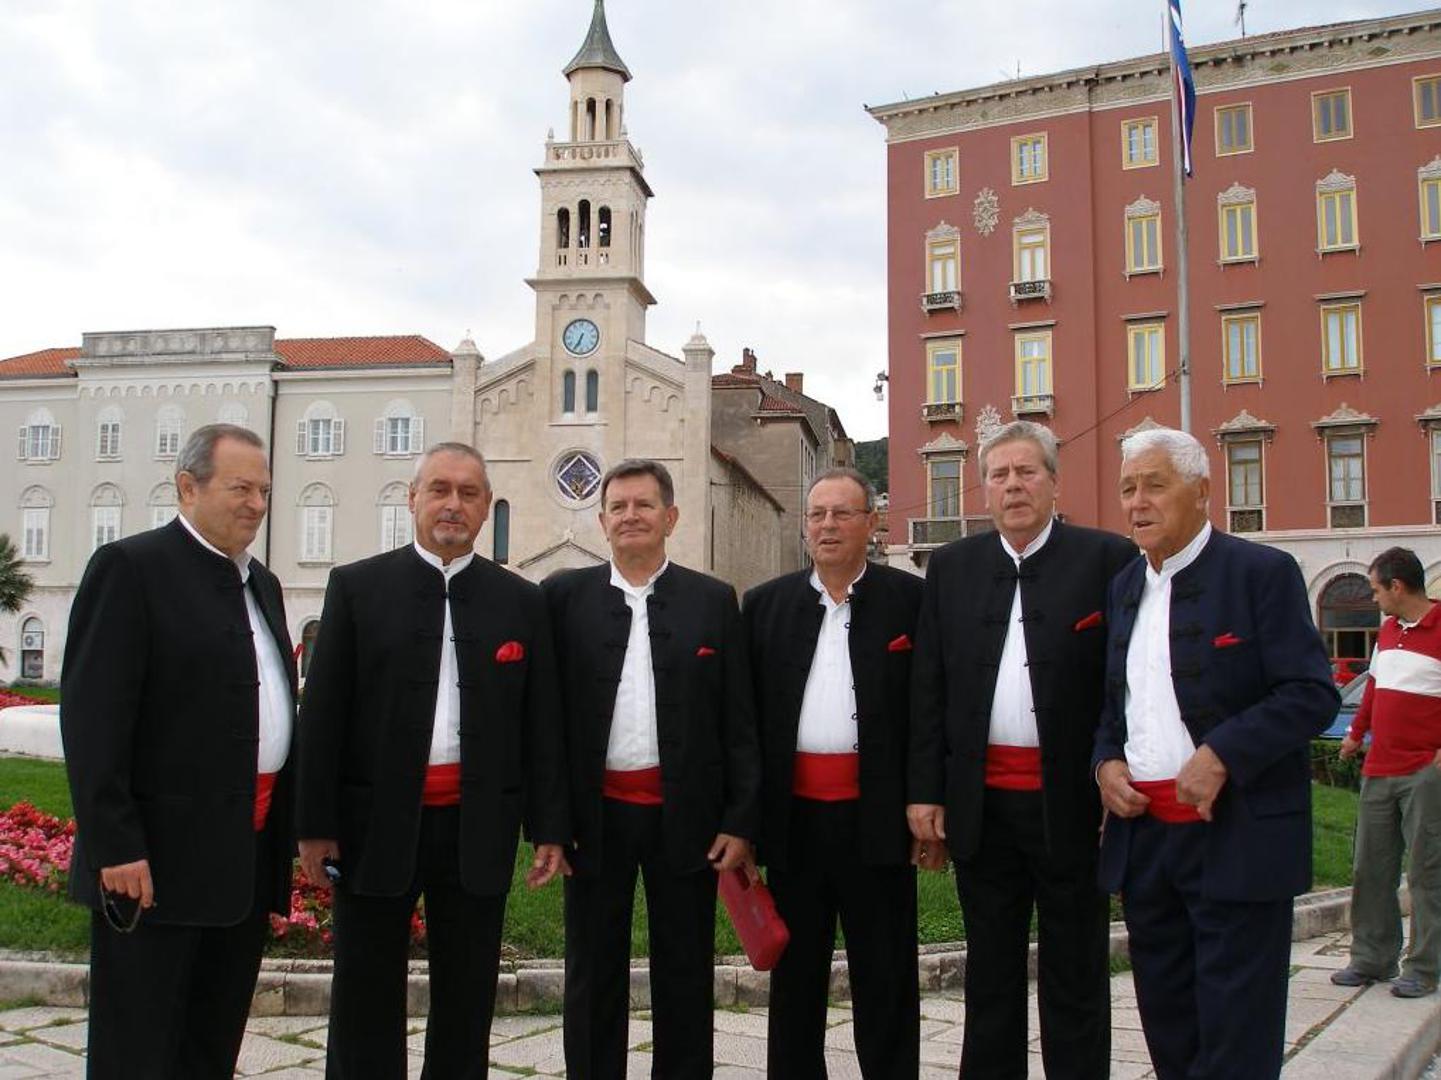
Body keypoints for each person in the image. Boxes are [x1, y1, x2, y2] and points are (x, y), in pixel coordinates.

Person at [295, 442, 569, 1079]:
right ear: (412, 497)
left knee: (468, 997)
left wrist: (549, 826)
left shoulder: (521, 601)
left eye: (468, 493)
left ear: (487, 506)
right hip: (373, 824)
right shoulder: (357, 588)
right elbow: (323, 715)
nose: (453, 504)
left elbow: (541, 723)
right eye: (439, 489)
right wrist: (313, 825)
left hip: (477, 826)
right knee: (364, 995)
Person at [1093, 427, 1338, 1080]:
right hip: (1147, 843)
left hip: (1236, 837)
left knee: (1237, 1028)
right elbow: (1115, 706)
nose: (1137, 502)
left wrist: (1223, 752)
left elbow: (1311, 693)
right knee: (1167, 1019)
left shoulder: (1260, 573)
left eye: (1154, 485)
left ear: (1202, 491)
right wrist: (1105, 762)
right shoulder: (1124, 586)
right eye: (1127, 488)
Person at [60, 423, 295, 1079]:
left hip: (240, 862)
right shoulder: (130, 569)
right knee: (138, 1051)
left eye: (264, 491)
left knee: (210, 1046)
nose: (255, 504)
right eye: (240, 488)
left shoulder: (262, 584)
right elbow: (93, 720)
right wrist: (115, 846)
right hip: (154, 868)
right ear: (188, 487)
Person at [908, 421, 1134, 1079]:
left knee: (1076, 967)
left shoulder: (1105, 559)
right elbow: (929, 686)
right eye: (999, 474)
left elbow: (1125, 679)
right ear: (983, 487)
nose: (1012, 486)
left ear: (1053, 482)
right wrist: (925, 791)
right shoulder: (951, 567)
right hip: (982, 808)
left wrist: (1114, 765)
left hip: (1072, 805)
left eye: (1026, 472)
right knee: (990, 971)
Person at [542, 458, 760, 1080]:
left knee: (686, 967)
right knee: (591, 969)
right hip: (595, 819)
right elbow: (545, 720)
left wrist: (741, 819)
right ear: (602, 520)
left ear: (671, 517)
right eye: (618, 506)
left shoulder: (713, 601)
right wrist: (551, 823)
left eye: (644, 505)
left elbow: (739, 720)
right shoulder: (563, 597)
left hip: (688, 819)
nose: (630, 516)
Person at [742, 466, 924, 1079]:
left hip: (879, 822)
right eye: (817, 514)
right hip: (794, 825)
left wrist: (927, 803)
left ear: (871, 523)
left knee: (886, 974)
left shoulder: (910, 602)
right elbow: (746, 724)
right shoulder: (765, 607)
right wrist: (745, 821)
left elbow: (929, 712)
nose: (827, 525)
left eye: (842, 513)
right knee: (796, 977)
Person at [1332, 546, 1441, 998]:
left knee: (1427, 870)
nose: (1373, 598)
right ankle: (1372, 958)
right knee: (1370, 867)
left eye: (1376, 589)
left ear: (1397, 586)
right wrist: (1356, 733)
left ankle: (1424, 967)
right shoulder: (1389, 630)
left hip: (1425, 771)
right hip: (1380, 766)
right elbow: (1375, 687)